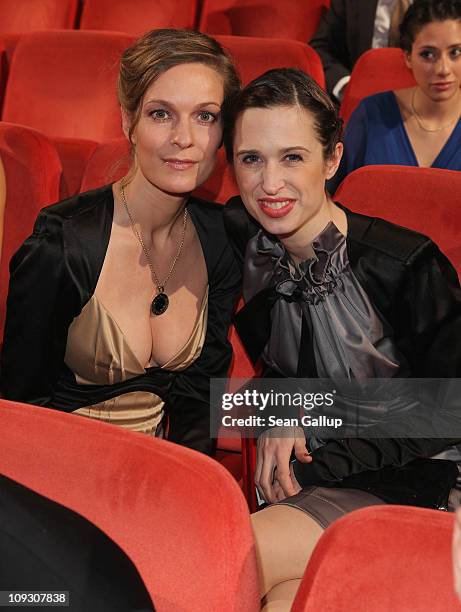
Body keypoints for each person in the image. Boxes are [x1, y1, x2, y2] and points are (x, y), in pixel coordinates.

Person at [223, 67, 461, 610]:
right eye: (251, 159)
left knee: (224, 557)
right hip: (310, 481)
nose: (269, 183)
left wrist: (307, 422)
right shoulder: (250, 245)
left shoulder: (404, 264)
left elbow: (448, 409)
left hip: (411, 485)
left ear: (332, 159)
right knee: (283, 604)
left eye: (293, 157)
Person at [0, 29, 241, 456]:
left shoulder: (221, 237)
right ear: (128, 122)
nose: (183, 138)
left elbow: (198, 398)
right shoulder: (64, 242)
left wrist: (187, 493)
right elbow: (20, 406)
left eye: (205, 116)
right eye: (161, 114)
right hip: (52, 474)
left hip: (153, 479)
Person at [329, 0, 461, 192]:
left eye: (455, 52)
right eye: (428, 54)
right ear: (408, 57)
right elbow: (332, 198)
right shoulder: (370, 114)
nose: (443, 69)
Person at [310, 0, 413, 102]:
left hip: (419, 101)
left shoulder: (428, 7)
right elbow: (320, 49)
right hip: (359, 100)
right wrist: (346, 85)